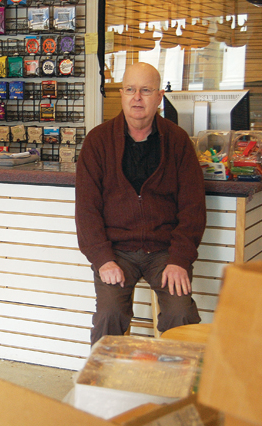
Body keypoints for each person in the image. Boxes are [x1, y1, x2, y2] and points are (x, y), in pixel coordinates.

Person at [75, 62, 207, 345]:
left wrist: (180, 260)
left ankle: (178, 385)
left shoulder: (178, 141)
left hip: (164, 251)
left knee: (181, 314)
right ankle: (105, 385)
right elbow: (87, 210)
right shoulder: (97, 142)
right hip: (117, 251)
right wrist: (103, 259)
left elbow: (193, 207)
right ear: (121, 94)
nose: (137, 97)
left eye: (146, 90)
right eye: (131, 90)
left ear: (159, 97)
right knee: (110, 315)